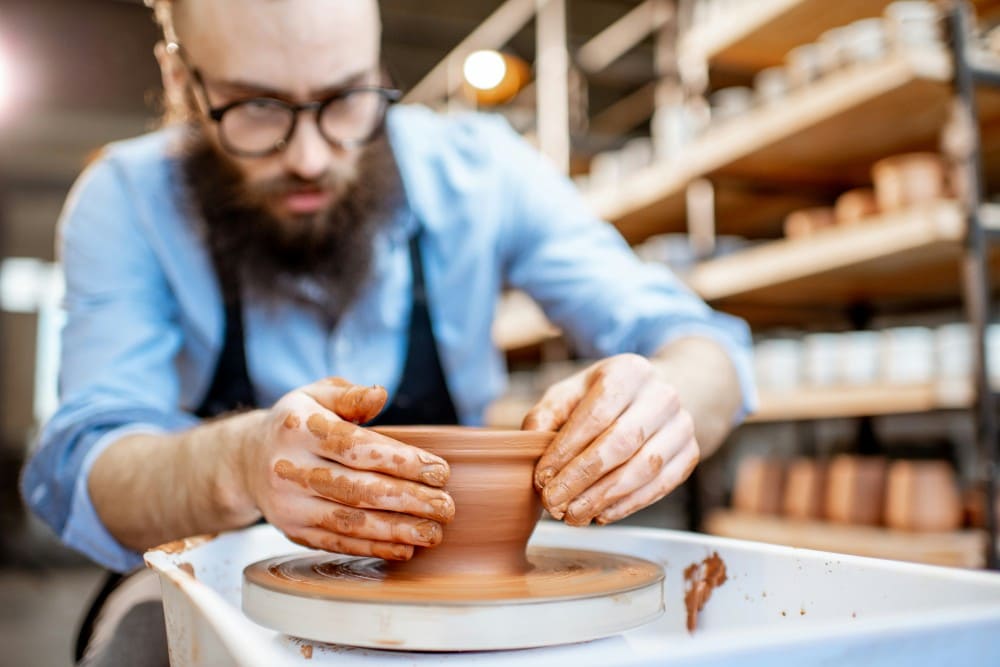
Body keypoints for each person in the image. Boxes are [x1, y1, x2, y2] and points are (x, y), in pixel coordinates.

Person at [21, 0, 755, 662]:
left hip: (462, 604)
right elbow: (85, 463)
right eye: (256, 108)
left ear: (377, 63)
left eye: (345, 99)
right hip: (220, 582)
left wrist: (661, 404)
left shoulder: (481, 171)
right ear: (181, 80)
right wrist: (244, 462)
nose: (309, 156)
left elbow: (703, 347)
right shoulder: (126, 199)